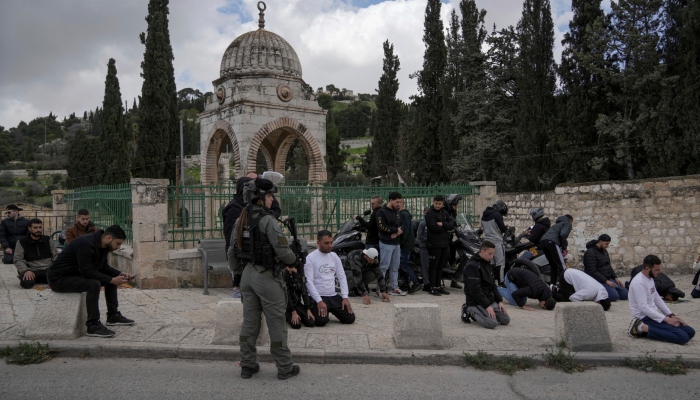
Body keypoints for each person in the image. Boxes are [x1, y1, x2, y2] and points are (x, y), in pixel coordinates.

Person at [227, 177, 300, 380]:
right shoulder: (268, 221)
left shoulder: (241, 219)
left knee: (249, 324)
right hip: (267, 277)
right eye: (269, 195)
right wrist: (294, 260)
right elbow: (283, 251)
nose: (272, 199)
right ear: (260, 198)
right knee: (276, 323)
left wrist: (238, 275)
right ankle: (285, 367)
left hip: (248, 276)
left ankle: (247, 365)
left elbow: (231, 251)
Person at [47, 225, 135, 338]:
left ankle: (113, 315)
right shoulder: (85, 244)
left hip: (75, 275)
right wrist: (112, 279)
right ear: (109, 238)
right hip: (59, 279)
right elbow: (87, 272)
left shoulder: (103, 246)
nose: (118, 247)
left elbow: (102, 267)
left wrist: (119, 274)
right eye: (117, 243)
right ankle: (93, 325)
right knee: (93, 284)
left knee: (110, 277)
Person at [223, 173, 281, 299]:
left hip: (255, 258)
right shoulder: (234, 208)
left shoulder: (256, 208)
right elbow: (232, 238)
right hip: (240, 256)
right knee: (243, 295)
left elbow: (276, 208)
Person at [628, 255, 695, 345]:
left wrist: (670, 315)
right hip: (644, 318)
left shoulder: (650, 278)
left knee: (690, 332)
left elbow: (656, 297)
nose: (660, 272)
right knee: (682, 337)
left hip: (653, 316)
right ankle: (641, 327)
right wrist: (666, 320)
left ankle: (650, 330)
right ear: (647, 268)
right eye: (657, 270)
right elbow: (643, 307)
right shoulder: (639, 282)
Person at [304, 230, 356, 325]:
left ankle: (330, 309)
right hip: (318, 296)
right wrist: (319, 301)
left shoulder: (334, 256)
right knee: (321, 322)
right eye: (326, 243)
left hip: (332, 295)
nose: (330, 246)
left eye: (331, 242)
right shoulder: (311, 258)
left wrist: (345, 297)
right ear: (318, 243)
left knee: (350, 318)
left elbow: (342, 277)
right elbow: (309, 282)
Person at [463, 241, 510, 329]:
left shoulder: (487, 264)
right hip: (476, 301)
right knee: (491, 323)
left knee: (505, 320)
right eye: (490, 254)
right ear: (482, 252)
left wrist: (499, 301)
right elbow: (475, 290)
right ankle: (469, 309)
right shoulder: (471, 266)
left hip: (489, 300)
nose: (492, 257)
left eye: (493, 254)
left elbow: (493, 285)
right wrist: (487, 306)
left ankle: (483, 312)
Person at [14, 218, 58, 289]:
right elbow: (18, 259)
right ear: (29, 228)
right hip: (32, 270)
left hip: (48, 270)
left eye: (40, 227)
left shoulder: (48, 239)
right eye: (35, 228)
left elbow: (55, 255)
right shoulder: (22, 242)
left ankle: (46, 279)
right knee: (27, 284)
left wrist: (57, 268)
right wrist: (26, 270)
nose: (38, 230)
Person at [425, 195, 455, 296]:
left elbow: (452, 223)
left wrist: (442, 224)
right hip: (434, 244)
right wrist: (446, 228)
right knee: (434, 266)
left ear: (442, 203)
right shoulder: (430, 213)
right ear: (433, 202)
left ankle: (438, 286)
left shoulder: (444, 212)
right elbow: (433, 228)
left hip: (444, 243)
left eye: (439, 204)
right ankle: (432, 287)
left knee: (441, 266)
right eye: (436, 203)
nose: (437, 205)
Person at [377, 192, 406, 296]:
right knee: (384, 267)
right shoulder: (382, 212)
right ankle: (379, 289)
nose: (399, 204)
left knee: (395, 267)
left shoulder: (398, 212)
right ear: (390, 200)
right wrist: (394, 231)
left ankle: (394, 287)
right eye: (397, 202)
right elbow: (382, 227)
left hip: (396, 243)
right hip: (386, 243)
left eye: (400, 202)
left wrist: (398, 231)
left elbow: (402, 224)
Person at [583, 234, 627, 301]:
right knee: (614, 297)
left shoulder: (604, 251)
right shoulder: (590, 252)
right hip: (598, 279)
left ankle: (612, 289)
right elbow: (591, 271)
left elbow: (608, 266)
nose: (607, 246)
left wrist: (615, 278)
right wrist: (606, 281)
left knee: (625, 294)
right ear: (601, 241)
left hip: (608, 277)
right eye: (606, 244)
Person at [540, 215, 573, 286]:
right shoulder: (567, 224)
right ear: (570, 221)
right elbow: (563, 235)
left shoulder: (556, 225)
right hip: (552, 243)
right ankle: (565, 286)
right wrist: (564, 248)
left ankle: (553, 285)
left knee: (553, 266)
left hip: (543, 242)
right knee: (562, 266)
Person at [481, 200, 508, 284]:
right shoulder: (497, 215)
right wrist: (507, 228)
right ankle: (501, 283)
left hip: (487, 242)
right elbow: (502, 229)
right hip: (497, 241)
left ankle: (490, 282)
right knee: (500, 263)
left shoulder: (484, 215)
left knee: (490, 262)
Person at [398, 199, 422, 294]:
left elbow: (406, 230)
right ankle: (406, 283)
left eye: (399, 203)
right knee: (404, 264)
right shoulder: (403, 214)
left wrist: (401, 242)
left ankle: (416, 283)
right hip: (406, 243)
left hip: (406, 244)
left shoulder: (404, 215)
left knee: (404, 264)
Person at [444, 194, 463, 289]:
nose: (456, 206)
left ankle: (454, 279)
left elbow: (455, 223)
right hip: (443, 238)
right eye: (454, 204)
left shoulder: (453, 213)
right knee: (449, 249)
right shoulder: (444, 212)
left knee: (454, 246)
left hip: (450, 237)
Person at [416, 207, 430, 291]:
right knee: (425, 266)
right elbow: (419, 236)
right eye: (425, 211)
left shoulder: (432, 222)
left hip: (432, 247)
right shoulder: (422, 223)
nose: (426, 213)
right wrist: (427, 240)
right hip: (424, 247)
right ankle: (426, 283)